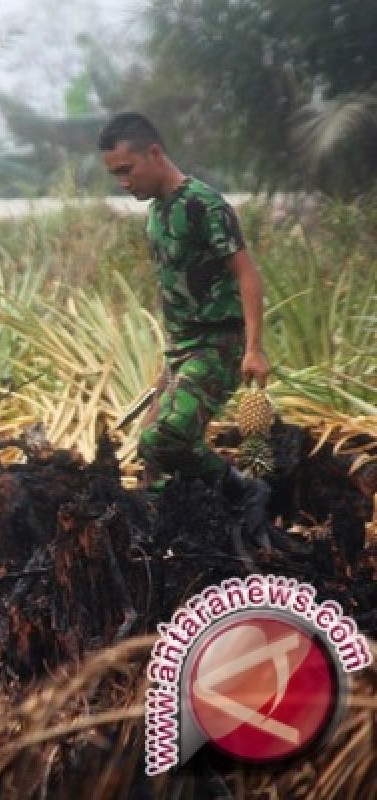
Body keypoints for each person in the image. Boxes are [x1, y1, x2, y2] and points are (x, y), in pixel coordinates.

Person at [97, 112, 273, 545]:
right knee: (151, 458)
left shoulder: (204, 205)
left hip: (218, 345)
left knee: (166, 437)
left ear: (154, 153)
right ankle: (171, 541)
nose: (123, 182)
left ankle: (244, 489)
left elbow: (246, 273)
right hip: (182, 350)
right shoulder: (158, 212)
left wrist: (254, 349)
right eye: (115, 174)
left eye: (127, 169)